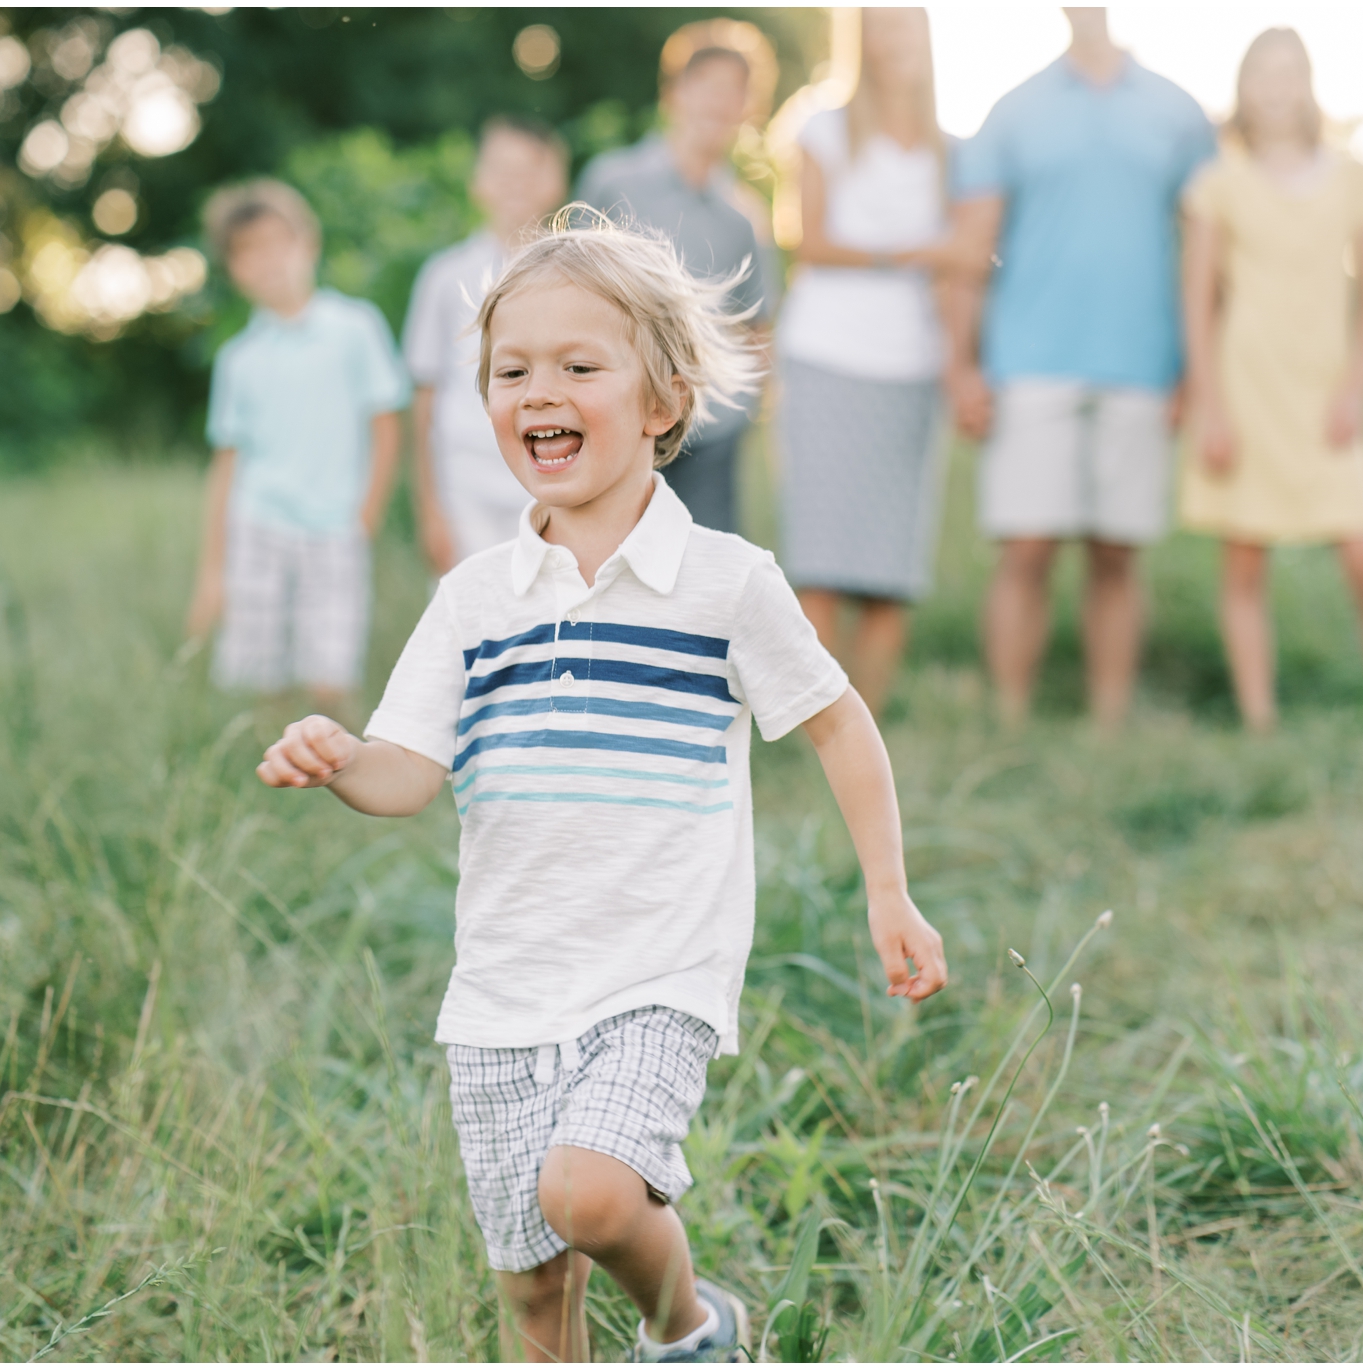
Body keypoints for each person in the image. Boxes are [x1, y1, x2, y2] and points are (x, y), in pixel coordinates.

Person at [253, 221, 947, 1362]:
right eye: (512, 370)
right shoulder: (474, 598)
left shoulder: (724, 583)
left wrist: (888, 888)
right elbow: (406, 773)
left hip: (654, 974)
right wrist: (338, 758)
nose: (541, 391)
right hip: (503, 990)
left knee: (586, 1194)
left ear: (664, 402)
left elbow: (836, 722)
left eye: (581, 366)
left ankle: (689, 1322)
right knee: (532, 1294)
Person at [945, 7, 1216, 730]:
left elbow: (1208, 255)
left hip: (1143, 365)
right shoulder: (1012, 111)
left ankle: (1110, 722)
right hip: (1029, 365)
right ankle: (1006, 718)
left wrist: (1198, 370)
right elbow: (972, 250)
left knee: (1116, 553)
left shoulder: (1181, 114)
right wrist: (961, 365)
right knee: (1027, 549)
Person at [1179, 28, 1363, 734]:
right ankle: (1261, 719)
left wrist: (1356, 388)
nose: (1276, 86)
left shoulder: (1351, 179)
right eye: (1262, 72)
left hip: (1324, 389)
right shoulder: (1216, 183)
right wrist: (1209, 408)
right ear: (1242, 87)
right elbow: (1197, 302)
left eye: (1290, 72)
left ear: (1309, 84)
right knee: (1246, 559)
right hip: (1247, 384)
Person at [775, 7, 962, 718]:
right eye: (881, 26)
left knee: (890, 569)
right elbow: (811, 241)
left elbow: (965, 263)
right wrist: (916, 253)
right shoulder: (823, 127)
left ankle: (867, 726)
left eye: (906, 25)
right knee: (821, 562)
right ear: (862, 39)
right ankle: (815, 724)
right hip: (828, 356)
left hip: (913, 367)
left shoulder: (952, 146)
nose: (895, 40)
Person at [183, 180, 410, 708]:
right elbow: (226, 466)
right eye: (248, 253)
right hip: (258, 528)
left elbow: (385, 427)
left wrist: (365, 517)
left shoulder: (355, 328)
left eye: (277, 243)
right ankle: (274, 782)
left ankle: (330, 779)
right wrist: (212, 571)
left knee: (330, 677)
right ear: (233, 269)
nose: (266, 262)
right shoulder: (239, 358)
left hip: (335, 528)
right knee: (261, 681)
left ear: (308, 243)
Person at [577, 38, 778, 535]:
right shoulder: (612, 180)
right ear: (674, 94)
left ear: (747, 109)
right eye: (706, 86)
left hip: (708, 435)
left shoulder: (744, 216)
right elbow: (570, 288)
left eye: (733, 92)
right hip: (614, 422)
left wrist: (739, 413)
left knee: (700, 577)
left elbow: (756, 326)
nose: (718, 102)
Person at [404, 115, 572, 572]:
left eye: (530, 169)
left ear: (554, 179)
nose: (514, 182)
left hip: (552, 478)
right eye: (501, 168)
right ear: (479, 180)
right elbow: (425, 395)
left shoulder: (576, 277)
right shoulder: (444, 276)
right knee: (471, 622)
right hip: (465, 482)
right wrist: (429, 508)